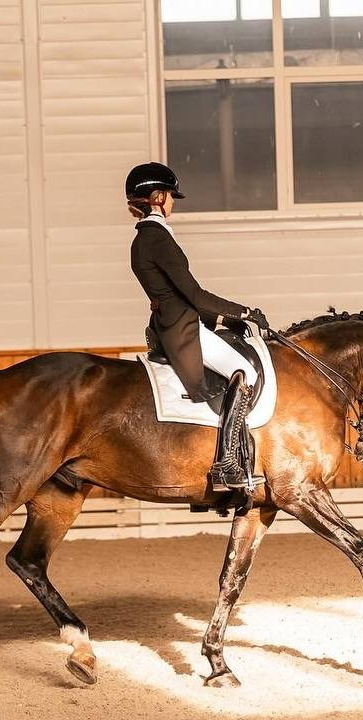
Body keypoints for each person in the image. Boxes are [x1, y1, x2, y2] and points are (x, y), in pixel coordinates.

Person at [126, 161, 269, 494]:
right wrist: (244, 311)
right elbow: (193, 294)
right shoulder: (156, 238)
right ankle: (227, 464)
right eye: (171, 196)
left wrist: (223, 319)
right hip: (182, 327)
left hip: (172, 322)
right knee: (242, 370)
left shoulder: (144, 238)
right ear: (158, 197)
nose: (173, 202)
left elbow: (178, 296)